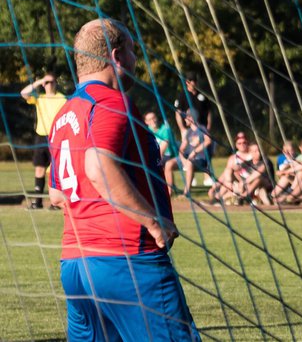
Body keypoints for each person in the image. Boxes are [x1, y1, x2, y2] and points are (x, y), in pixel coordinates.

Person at [48, 18, 198, 340]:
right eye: (132, 51)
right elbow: (98, 167)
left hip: (76, 265)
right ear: (116, 56)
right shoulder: (111, 101)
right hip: (127, 259)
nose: (135, 60)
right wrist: (154, 222)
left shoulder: (64, 115)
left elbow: (56, 194)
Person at [21, 70, 67, 209]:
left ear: (55, 83)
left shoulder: (62, 99)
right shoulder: (39, 98)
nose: (48, 85)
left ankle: (56, 202)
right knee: (39, 169)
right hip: (41, 137)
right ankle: (37, 202)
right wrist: (38, 82)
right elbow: (23, 93)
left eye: (50, 82)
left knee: (56, 170)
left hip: (56, 137)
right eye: (46, 82)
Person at [176, 111, 213, 197]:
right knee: (169, 164)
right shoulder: (188, 132)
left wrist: (195, 152)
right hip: (188, 159)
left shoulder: (202, 129)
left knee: (189, 163)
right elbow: (182, 148)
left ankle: (186, 192)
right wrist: (182, 158)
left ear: (191, 118)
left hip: (200, 159)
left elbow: (208, 141)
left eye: (186, 117)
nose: (185, 119)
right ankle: (169, 191)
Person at [208, 131, 253, 203]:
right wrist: (214, 187)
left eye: (244, 142)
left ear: (248, 143)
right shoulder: (233, 158)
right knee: (228, 171)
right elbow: (224, 174)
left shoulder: (252, 155)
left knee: (229, 173)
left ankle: (218, 199)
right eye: (239, 143)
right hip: (234, 184)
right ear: (236, 145)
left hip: (248, 183)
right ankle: (220, 197)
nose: (242, 145)